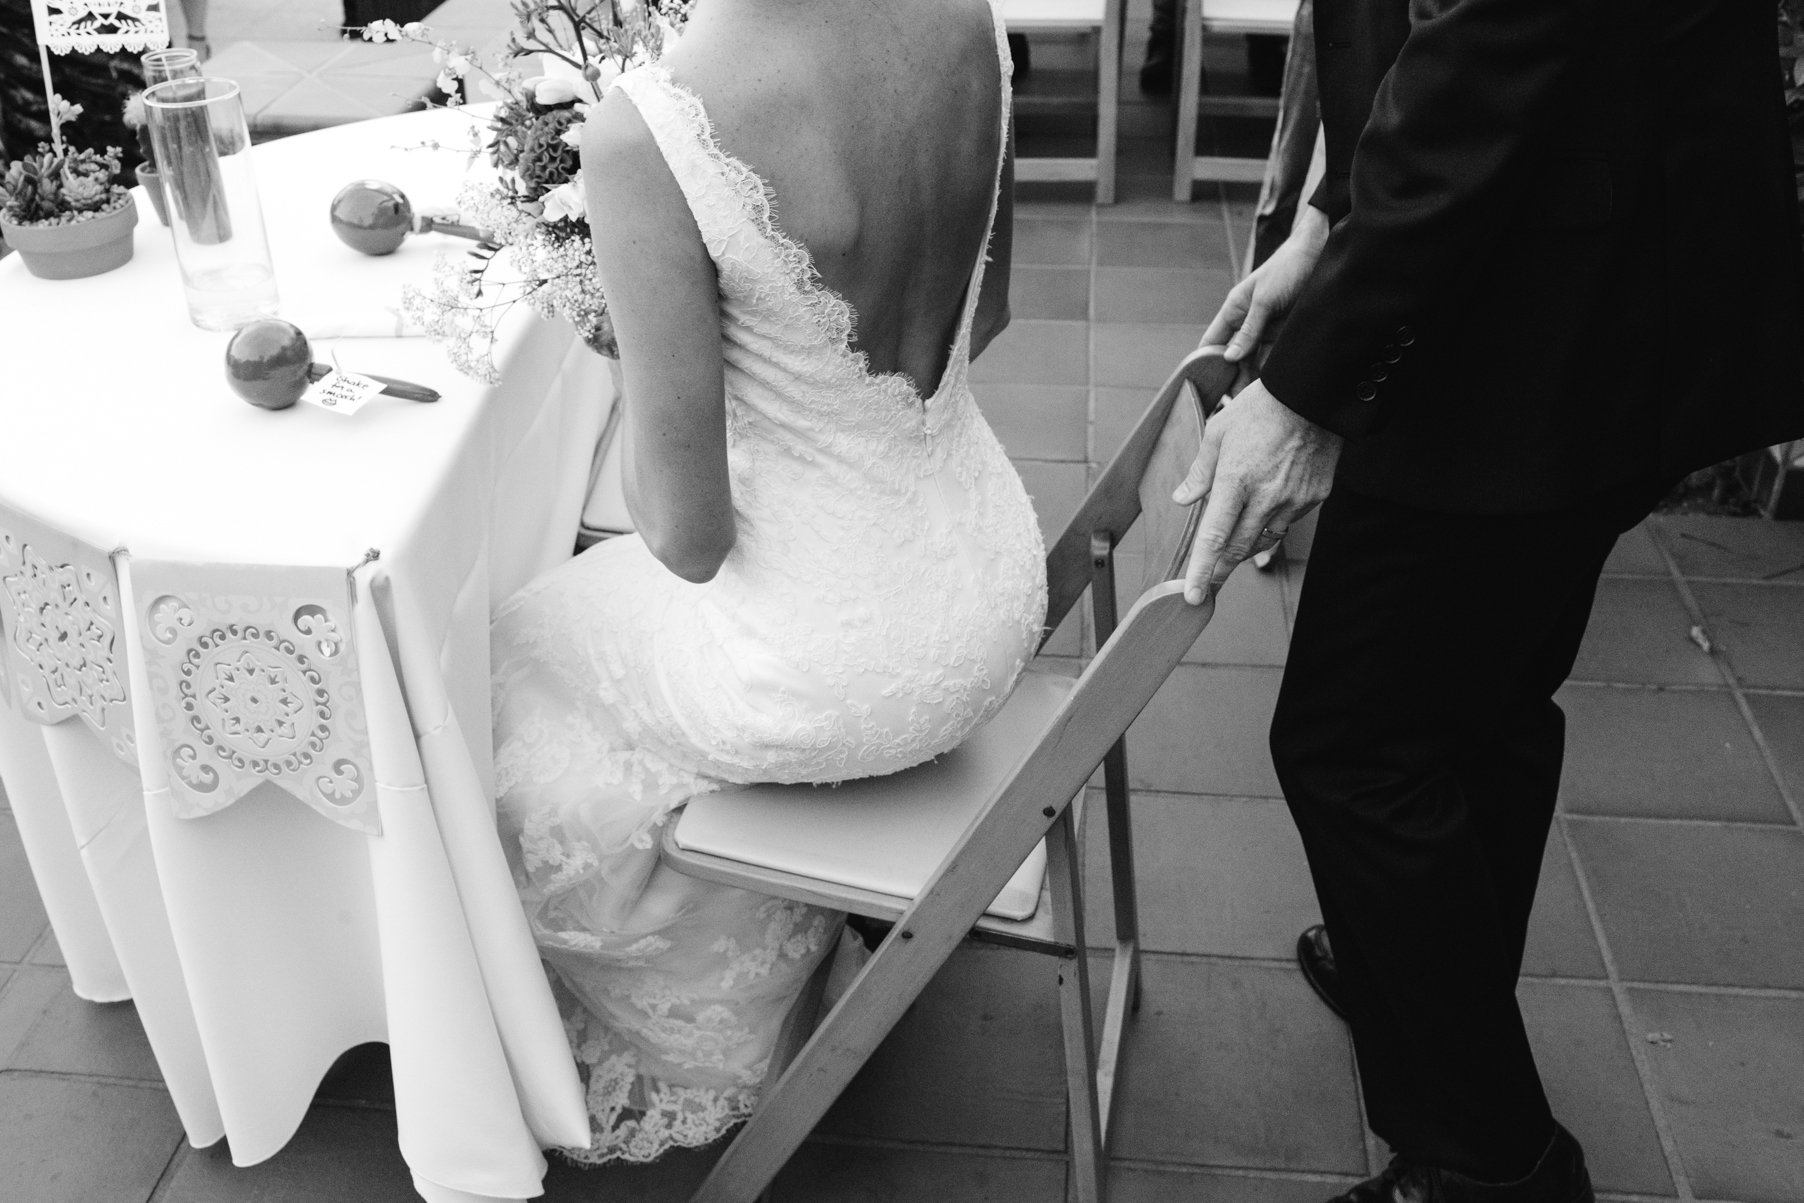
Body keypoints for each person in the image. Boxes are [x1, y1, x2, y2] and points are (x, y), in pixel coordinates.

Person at [1171, 0, 1804, 1199]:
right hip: (1576, 272)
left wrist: (1306, 393)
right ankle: (1421, 977)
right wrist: (1326, 221)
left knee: (1356, 749)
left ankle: (1486, 1159)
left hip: (1533, 306)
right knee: (1482, 708)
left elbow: (1483, 58)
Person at [488, 0, 1045, 1165]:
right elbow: (988, 314)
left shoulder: (648, 130)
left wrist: (645, 356)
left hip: (822, 669)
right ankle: (789, 939)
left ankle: (714, 1021)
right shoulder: (970, 18)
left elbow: (686, 538)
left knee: (515, 642)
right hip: (994, 588)